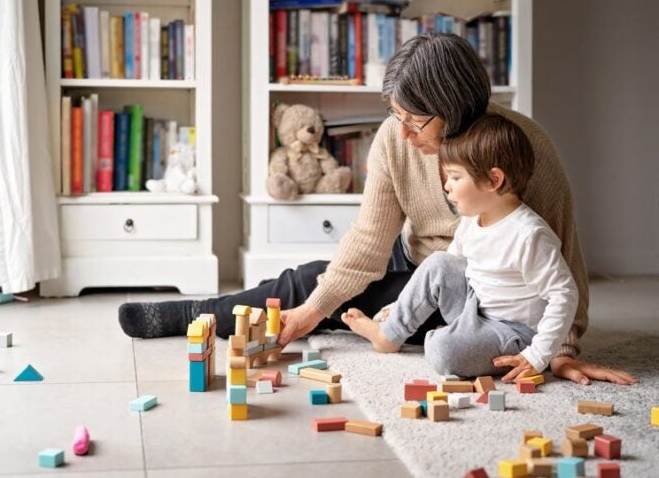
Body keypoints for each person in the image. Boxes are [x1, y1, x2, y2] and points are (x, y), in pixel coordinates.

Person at [118, 32, 637, 386]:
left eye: (416, 121)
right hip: (421, 262)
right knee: (309, 283)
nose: (403, 133)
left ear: (455, 111)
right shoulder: (395, 136)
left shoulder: (526, 149)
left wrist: (560, 351)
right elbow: (369, 239)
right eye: (396, 116)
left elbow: (564, 263)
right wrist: (312, 310)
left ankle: (363, 323)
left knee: (385, 314)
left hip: (483, 295)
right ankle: (195, 315)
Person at [341, 114, 577, 380]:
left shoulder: (529, 235)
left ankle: (453, 338)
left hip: (514, 333)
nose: (446, 186)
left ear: (493, 180)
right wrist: (396, 309)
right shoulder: (471, 221)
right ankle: (389, 335)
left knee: (442, 351)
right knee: (439, 262)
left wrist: (538, 355)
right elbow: (444, 272)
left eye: (454, 177)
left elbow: (564, 294)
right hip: (475, 309)